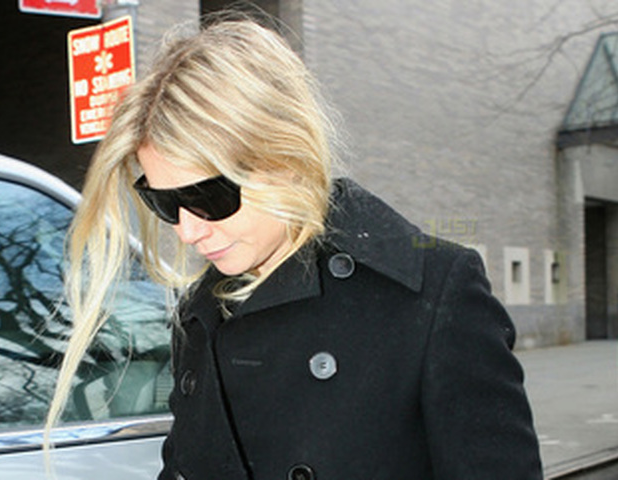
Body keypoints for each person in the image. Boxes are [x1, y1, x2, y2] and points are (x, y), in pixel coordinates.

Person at [47, 17, 543, 480]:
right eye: (164, 203)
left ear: (283, 159)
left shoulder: (433, 296)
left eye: (206, 198)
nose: (187, 231)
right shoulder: (203, 316)